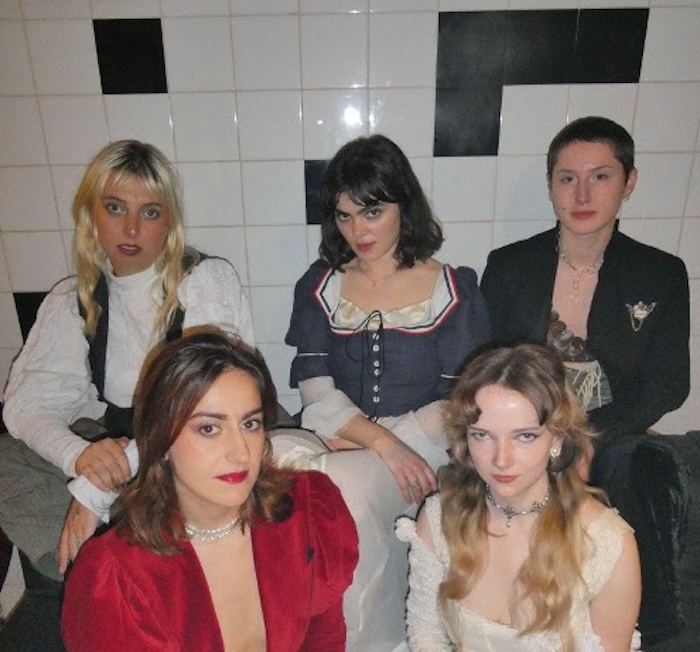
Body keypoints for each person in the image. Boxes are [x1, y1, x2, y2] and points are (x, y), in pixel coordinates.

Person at [0, 140, 254, 650]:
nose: (132, 229)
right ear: (91, 215)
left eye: (150, 212)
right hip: (119, 451)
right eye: (116, 208)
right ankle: (90, 566)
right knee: (7, 458)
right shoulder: (72, 298)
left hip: (197, 443)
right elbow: (26, 405)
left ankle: (88, 572)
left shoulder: (204, 280)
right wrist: (82, 457)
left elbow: (203, 401)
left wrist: (93, 491)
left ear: (169, 221)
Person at [479, 116, 691, 645]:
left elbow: (670, 381)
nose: (581, 195)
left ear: (629, 183)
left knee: (635, 471)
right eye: (567, 178)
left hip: (613, 433)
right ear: (550, 185)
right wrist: (539, 437)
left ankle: (649, 630)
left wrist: (588, 438)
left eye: (600, 176)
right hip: (525, 429)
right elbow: (489, 366)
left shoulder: (661, 273)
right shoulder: (509, 265)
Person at [278, 134, 491, 650]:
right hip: (342, 436)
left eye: (372, 212)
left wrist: (388, 444)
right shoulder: (321, 284)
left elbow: (460, 401)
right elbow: (315, 387)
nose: (358, 230)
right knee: (271, 456)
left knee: (345, 486)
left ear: (404, 205)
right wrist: (374, 441)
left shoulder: (452, 288)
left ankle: (371, 642)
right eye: (345, 215)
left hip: (425, 449)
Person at [62, 327, 358, 652]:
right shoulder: (118, 578)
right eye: (208, 428)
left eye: (250, 424)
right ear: (161, 441)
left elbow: (323, 640)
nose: (240, 453)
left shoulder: (307, 512)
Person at [396, 344, 642, 652]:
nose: (501, 460)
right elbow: (426, 633)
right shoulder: (439, 517)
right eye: (482, 435)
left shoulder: (607, 542)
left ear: (557, 438)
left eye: (524, 436)